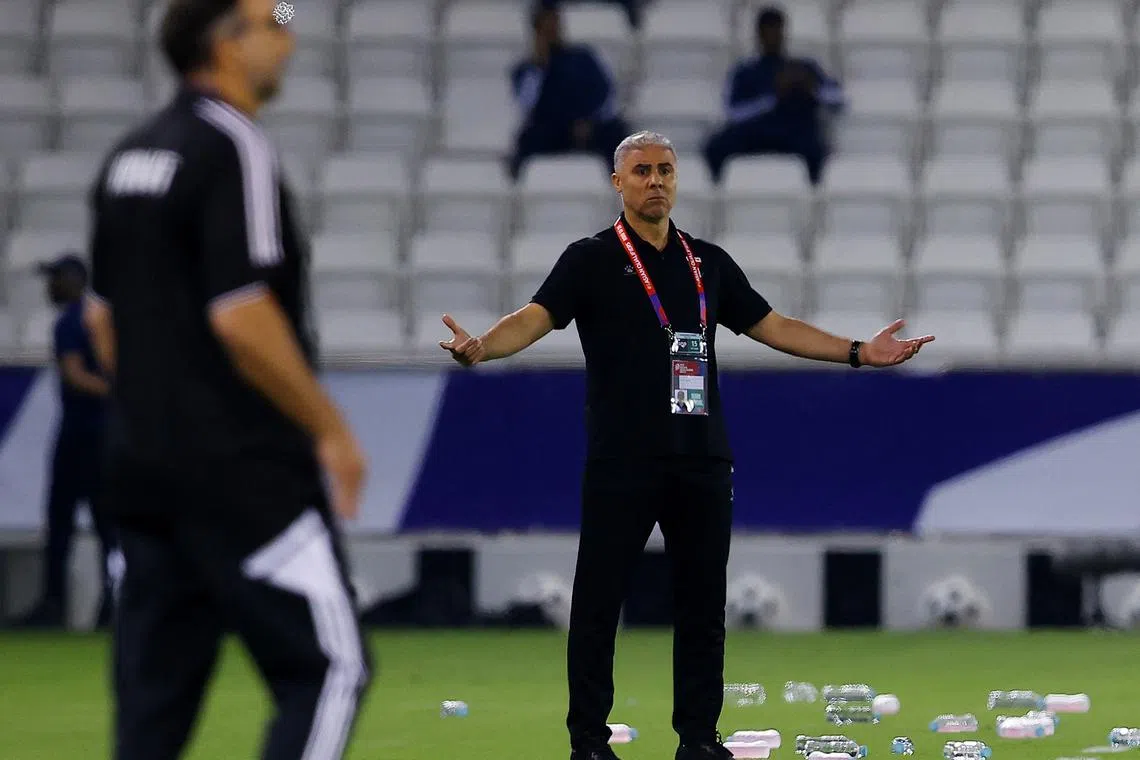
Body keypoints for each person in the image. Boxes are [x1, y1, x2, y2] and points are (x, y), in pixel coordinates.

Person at [439, 130, 933, 760]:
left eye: (665, 170)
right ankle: (589, 742)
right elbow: (534, 318)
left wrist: (859, 351)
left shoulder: (707, 263)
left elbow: (773, 325)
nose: (655, 181)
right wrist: (483, 346)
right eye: (642, 171)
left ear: (677, 179)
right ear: (618, 183)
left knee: (703, 608)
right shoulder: (590, 259)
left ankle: (698, 740)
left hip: (701, 456)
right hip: (622, 458)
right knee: (598, 603)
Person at [82, 0, 372, 757]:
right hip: (241, 473)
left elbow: (102, 320)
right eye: (272, 23)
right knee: (328, 669)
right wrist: (332, 432)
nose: (289, 39)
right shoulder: (233, 143)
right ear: (225, 44)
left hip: (142, 472)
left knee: (153, 710)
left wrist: (159, 414)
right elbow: (242, 313)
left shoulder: (129, 156)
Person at [10, 253, 115, 630]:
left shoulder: (71, 321)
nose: (50, 287)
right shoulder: (102, 319)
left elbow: (74, 375)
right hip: (105, 435)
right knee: (106, 524)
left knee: (62, 522)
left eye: (56, 278)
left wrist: (112, 392)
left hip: (80, 435)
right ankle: (110, 604)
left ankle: (54, 604)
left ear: (74, 280)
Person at [702, 4, 845, 185]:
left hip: (794, 132)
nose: (773, 36)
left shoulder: (803, 67)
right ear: (759, 34)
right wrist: (773, 97)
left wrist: (811, 88)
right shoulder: (745, 71)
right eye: (767, 30)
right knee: (715, 146)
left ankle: (815, 193)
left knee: (816, 148)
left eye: (777, 30)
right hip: (755, 133)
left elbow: (838, 99)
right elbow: (733, 113)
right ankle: (718, 189)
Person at [508, 0, 631, 180]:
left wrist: (587, 120)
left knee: (618, 135)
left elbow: (604, 92)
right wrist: (539, 67)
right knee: (528, 140)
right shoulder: (527, 70)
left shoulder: (582, 58)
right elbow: (528, 105)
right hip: (553, 130)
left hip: (588, 126)